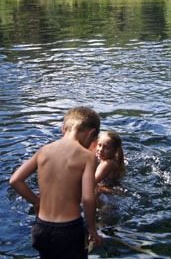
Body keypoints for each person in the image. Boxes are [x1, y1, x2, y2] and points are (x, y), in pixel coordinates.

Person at [9, 106, 104, 259]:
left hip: (41, 228)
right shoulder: (87, 157)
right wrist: (92, 229)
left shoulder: (44, 150)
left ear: (63, 130)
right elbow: (87, 198)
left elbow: (15, 180)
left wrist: (36, 201)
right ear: (91, 133)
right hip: (68, 230)